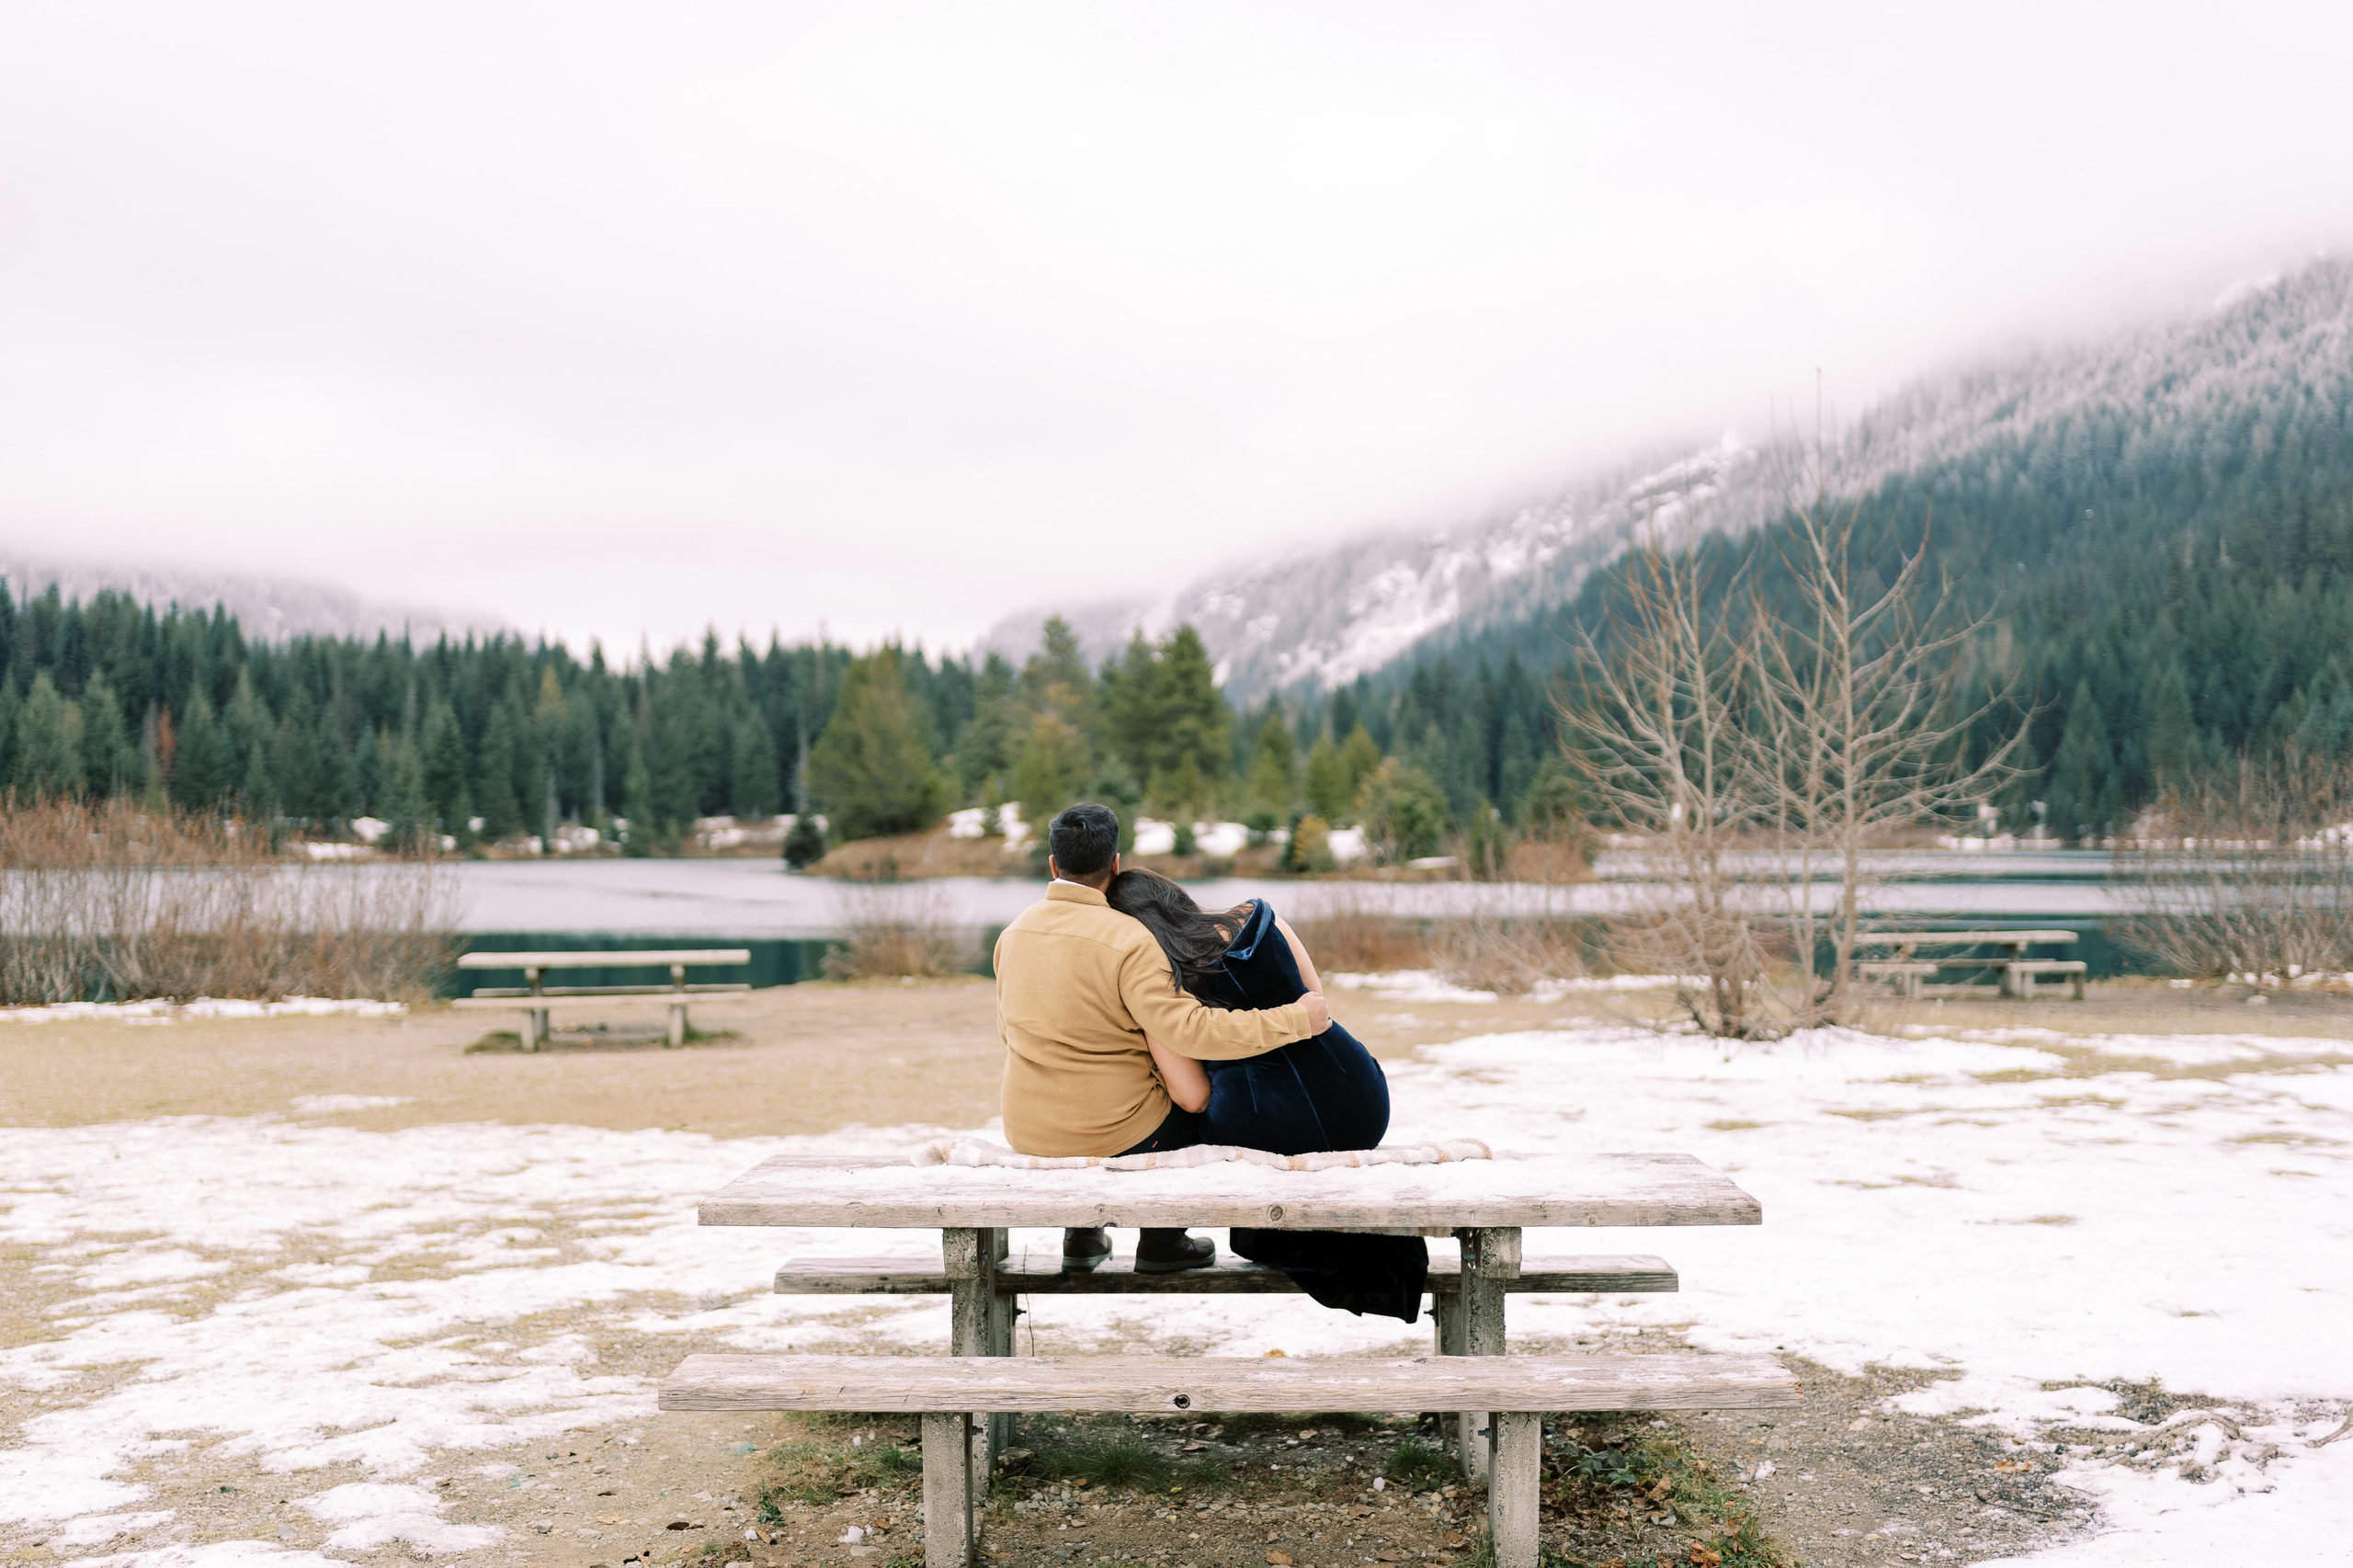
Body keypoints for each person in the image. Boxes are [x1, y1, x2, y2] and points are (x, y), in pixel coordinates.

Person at [995, 801, 1331, 1273]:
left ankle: (1082, 1235)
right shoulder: (1130, 941)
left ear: (1053, 865)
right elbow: (1191, 1031)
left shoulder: (1013, 934)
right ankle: (1162, 1241)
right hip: (1114, 1136)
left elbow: (1009, 1032)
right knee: (1198, 1108)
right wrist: (1295, 1019)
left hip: (1027, 1131)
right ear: (1115, 862)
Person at [1105, 867, 1428, 1322]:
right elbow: (1314, 1007)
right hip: (1359, 1098)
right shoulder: (1261, 918)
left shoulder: (1160, 983)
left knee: (1199, 1132)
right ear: (1176, 896)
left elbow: (1192, 1097)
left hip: (1262, 1124)